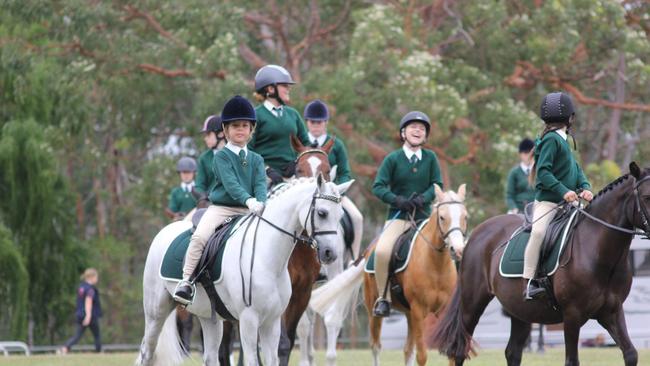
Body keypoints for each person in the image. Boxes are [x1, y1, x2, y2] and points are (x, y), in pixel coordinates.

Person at [174, 95, 267, 304]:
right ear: (225, 130)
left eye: (245, 125)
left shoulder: (257, 159)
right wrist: (250, 201)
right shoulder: (221, 157)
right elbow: (231, 184)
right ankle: (186, 281)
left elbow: (261, 183)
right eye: (235, 126)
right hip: (222, 208)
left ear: (251, 129)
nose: (240, 129)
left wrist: (261, 201)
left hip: (250, 210)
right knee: (199, 237)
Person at [523, 92, 593, 300]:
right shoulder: (551, 139)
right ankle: (528, 281)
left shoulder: (565, 140)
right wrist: (565, 191)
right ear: (570, 118)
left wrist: (585, 186)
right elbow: (543, 173)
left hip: (568, 204)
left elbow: (575, 168)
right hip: (549, 202)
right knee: (538, 233)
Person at [371, 111, 442, 317]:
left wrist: (424, 198)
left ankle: (449, 291)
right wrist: (397, 200)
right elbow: (378, 186)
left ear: (425, 135)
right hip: (398, 217)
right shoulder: (392, 159)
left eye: (422, 128)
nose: (417, 130)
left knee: (449, 246)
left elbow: (437, 184)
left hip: (424, 218)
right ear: (403, 133)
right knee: (383, 251)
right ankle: (383, 298)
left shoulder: (430, 158)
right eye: (413, 127)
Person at [303, 99, 363, 259]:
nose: (316, 125)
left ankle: (353, 259)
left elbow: (344, 172)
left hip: (332, 195)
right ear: (307, 122)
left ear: (326, 123)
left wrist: (336, 192)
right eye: (312, 122)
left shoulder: (337, 145)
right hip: (305, 197)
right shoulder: (302, 143)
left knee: (357, 217)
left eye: (319, 122)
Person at [248, 64, 310, 186]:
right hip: (263, 177)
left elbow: (306, 145)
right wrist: (266, 170)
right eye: (284, 85)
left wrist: (297, 161)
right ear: (270, 89)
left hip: (293, 175)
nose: (288, 89)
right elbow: (246, 150)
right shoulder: (255, 116)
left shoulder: (293, 114)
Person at [60, 268, 102, 354]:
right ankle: (99, 351)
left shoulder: (81, 287)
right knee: (97, 335)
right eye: (96, 277)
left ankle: (65, 348)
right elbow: (88, 301)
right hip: (90, 316)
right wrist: (88, 315)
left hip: (80, 314)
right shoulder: (90, 289)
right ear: (92, 277)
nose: (97, 279)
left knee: (77, 335)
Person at [195, 115, 226, 205]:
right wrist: (202, 196)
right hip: (211, 203)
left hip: (236, 201)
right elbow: (199, 185)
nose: (205, 138)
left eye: (208, 134)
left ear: (221, 134)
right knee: (189, 219)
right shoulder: (204, 158)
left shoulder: (236, 153)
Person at [505, 138, 535, 214]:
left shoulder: (539, 171)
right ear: (520, 154)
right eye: (525, 153)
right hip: (519, 210)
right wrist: (514, 208)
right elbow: (509, 195)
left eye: (530, 153)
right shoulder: (514, 173)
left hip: (536, 209)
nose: (528, 156)